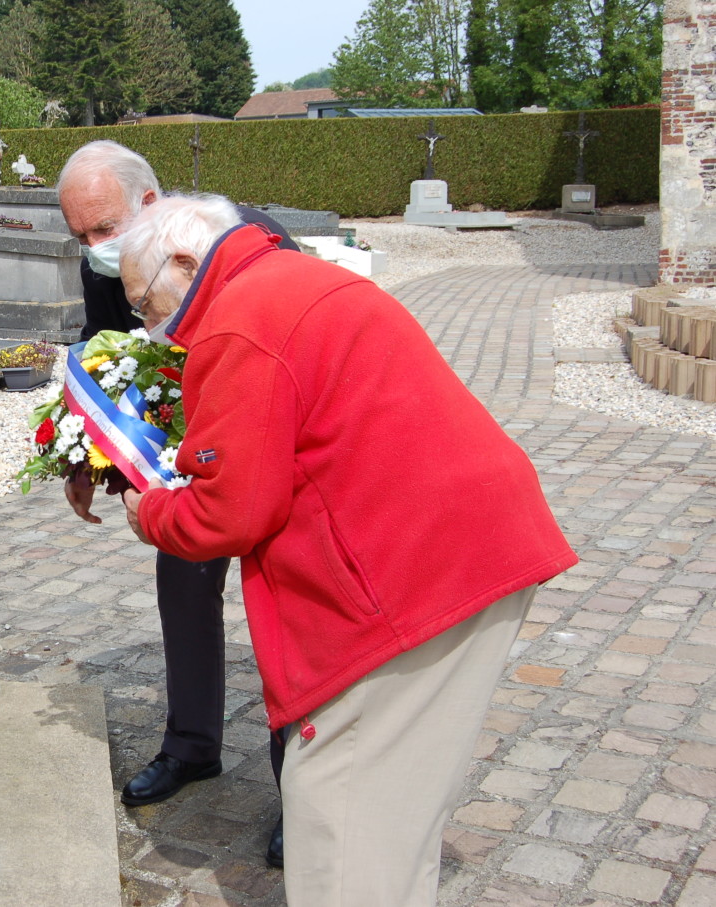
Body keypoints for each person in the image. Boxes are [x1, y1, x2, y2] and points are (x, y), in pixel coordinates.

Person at [114, 193, 578, 906]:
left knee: (339, 819)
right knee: (392, 822)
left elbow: (230, 512)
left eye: (146, 304)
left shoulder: (237, 317)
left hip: (404, 584)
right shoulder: (293, 274)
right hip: (467, 551)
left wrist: (149, 511)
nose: (153, 326)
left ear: (183, 261)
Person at [55, 141, 295, 867]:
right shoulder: (104, 264)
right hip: (182, 443)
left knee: (282, 602)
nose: (96, 248)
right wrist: (83, 456)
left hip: (263, 433)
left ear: (150, 204)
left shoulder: (251, 242)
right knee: (182, 582)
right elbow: (106, 354)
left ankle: (301, 787)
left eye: (105, 228)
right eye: (81, 235)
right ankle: (191, 744)